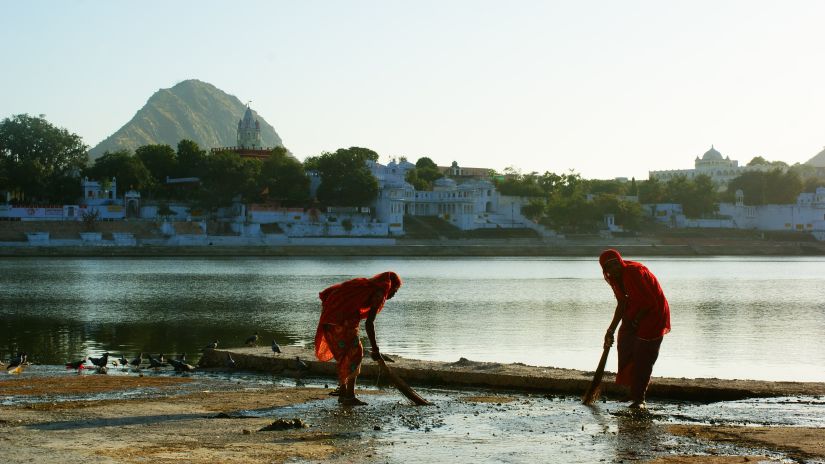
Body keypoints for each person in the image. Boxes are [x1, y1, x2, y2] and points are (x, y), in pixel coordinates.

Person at [314, 271, 402, 406]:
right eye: (394, 291)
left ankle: (343, 393)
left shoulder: (364, 286)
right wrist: (375, 349)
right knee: (355, 354)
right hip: (342, 323)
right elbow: (369, 323)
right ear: (390, 287)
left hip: (329, 322)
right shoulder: (378, 293)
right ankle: (349, 397)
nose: (393, 295)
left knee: (344, 356)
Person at [600, 249, 670, 409]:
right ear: (605, 270)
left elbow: (649, 301)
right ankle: (633, 392)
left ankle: (640, 398)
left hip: (654, 313)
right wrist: (610, 330)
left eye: (616, 263)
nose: (614, 268)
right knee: (625, 345)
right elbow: (622, 304)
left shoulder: (633, 273)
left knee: (644, 354)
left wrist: (637, 320)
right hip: (637, 310)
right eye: (609, 266)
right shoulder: (615, 279)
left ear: (621, 262)